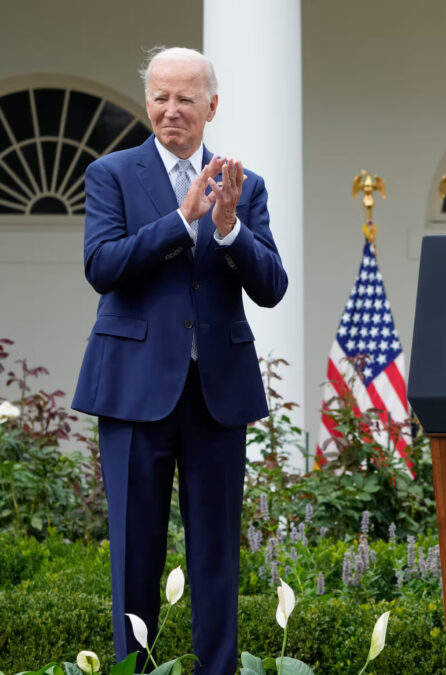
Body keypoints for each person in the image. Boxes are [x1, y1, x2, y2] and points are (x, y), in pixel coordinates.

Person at [72, 47, 288, 672]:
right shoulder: (111, 174)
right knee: (135, 553)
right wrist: (180, 220)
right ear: (148, 104)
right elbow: (101, 266)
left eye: (186, 98)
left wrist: (227, 231)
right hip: (134, 391)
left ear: (211, 106)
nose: (172, 110)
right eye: (161, 97)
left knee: (217, 556)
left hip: (216, 394)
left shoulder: (245, 186)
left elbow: (272, 286)